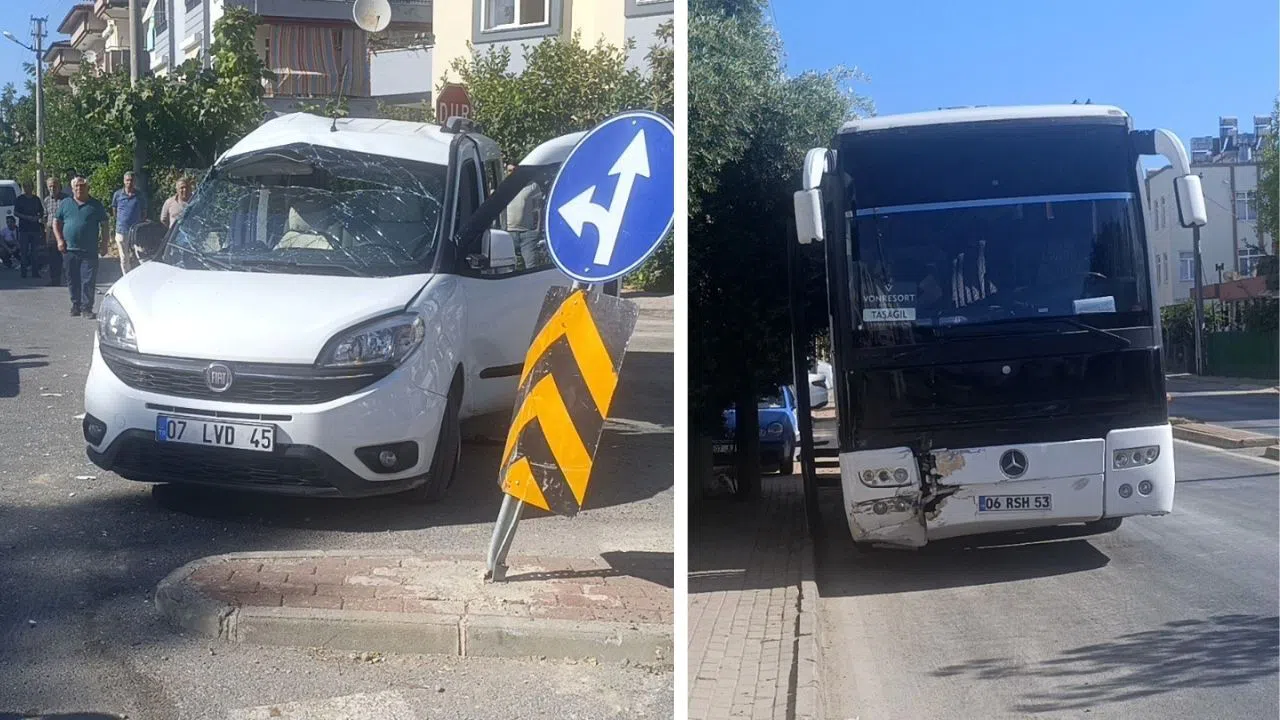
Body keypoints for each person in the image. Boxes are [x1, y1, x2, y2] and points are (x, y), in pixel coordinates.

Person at [54, 176, 108, 319]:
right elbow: (56, 222)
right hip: (69, 249)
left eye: (82, 186)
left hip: (89, 250)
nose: (79, 188)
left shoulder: (95, 205)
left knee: (88, 280)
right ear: (72, 189)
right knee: (72, 279)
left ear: (88, 188)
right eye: (76, 186)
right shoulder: (66, 203)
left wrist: (104, 243)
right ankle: (76, 305)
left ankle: (87, 308)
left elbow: (105, 225)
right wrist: (59, 240)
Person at [111, 171, 146, 274]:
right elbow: (114, 210)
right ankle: (126, 276)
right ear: (124, 181)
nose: (129, 182)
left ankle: (138, 275)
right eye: (127, 180)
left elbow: (144, 211)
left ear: (134, 181)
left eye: (131, 180)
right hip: (121, 230)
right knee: (123, 256)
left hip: (136, 231)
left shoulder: (139, 195)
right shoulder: (118, 194)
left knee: (139, 255)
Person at [14, 181, 45, 279]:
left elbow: (41, 211)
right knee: (24, 251)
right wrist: (26, 217)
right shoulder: (20, 199)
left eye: (29, 186)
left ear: (32, 187)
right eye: (26, 186)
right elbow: (15, 212)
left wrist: (38, 217)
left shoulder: (36, 199)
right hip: (24, 229)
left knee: (35, 252)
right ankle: (23, 273)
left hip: (35, 228)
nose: (28, 188)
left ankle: (35, 272)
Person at [43, 177, 70, 286]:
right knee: (52, 257)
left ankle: (70, 279)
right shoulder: (46, 200)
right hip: (50, 231)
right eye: (50, 186)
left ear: (59, 187)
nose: (52, 188)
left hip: (64, 229)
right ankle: (55, 280)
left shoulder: (67, 199)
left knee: (67, 255)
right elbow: (45, 216)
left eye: (54, 186)